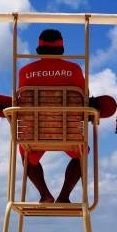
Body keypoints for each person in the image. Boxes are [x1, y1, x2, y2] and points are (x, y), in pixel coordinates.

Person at [18, 29, 85, 204]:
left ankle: (45, 194)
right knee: (82, 152)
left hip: (35, 134)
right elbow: (84, 100)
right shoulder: (74, 69)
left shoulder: (25, 71)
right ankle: (64, 197)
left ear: (39, 51)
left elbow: (21, 104)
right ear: (61, 51)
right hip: (68, 133)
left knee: (24, 151)